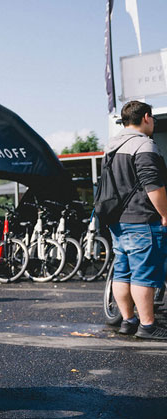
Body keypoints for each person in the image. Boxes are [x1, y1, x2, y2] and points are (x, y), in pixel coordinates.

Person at [105, 100, 167, 340]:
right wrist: (164, 214)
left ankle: (128, 321)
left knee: (122, 273)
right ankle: (148, 326)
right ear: (147, 117)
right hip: (141, 219)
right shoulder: (144, 146)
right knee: (144, 275)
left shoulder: (112, 146)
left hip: (117, 221)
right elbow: (153, 185)